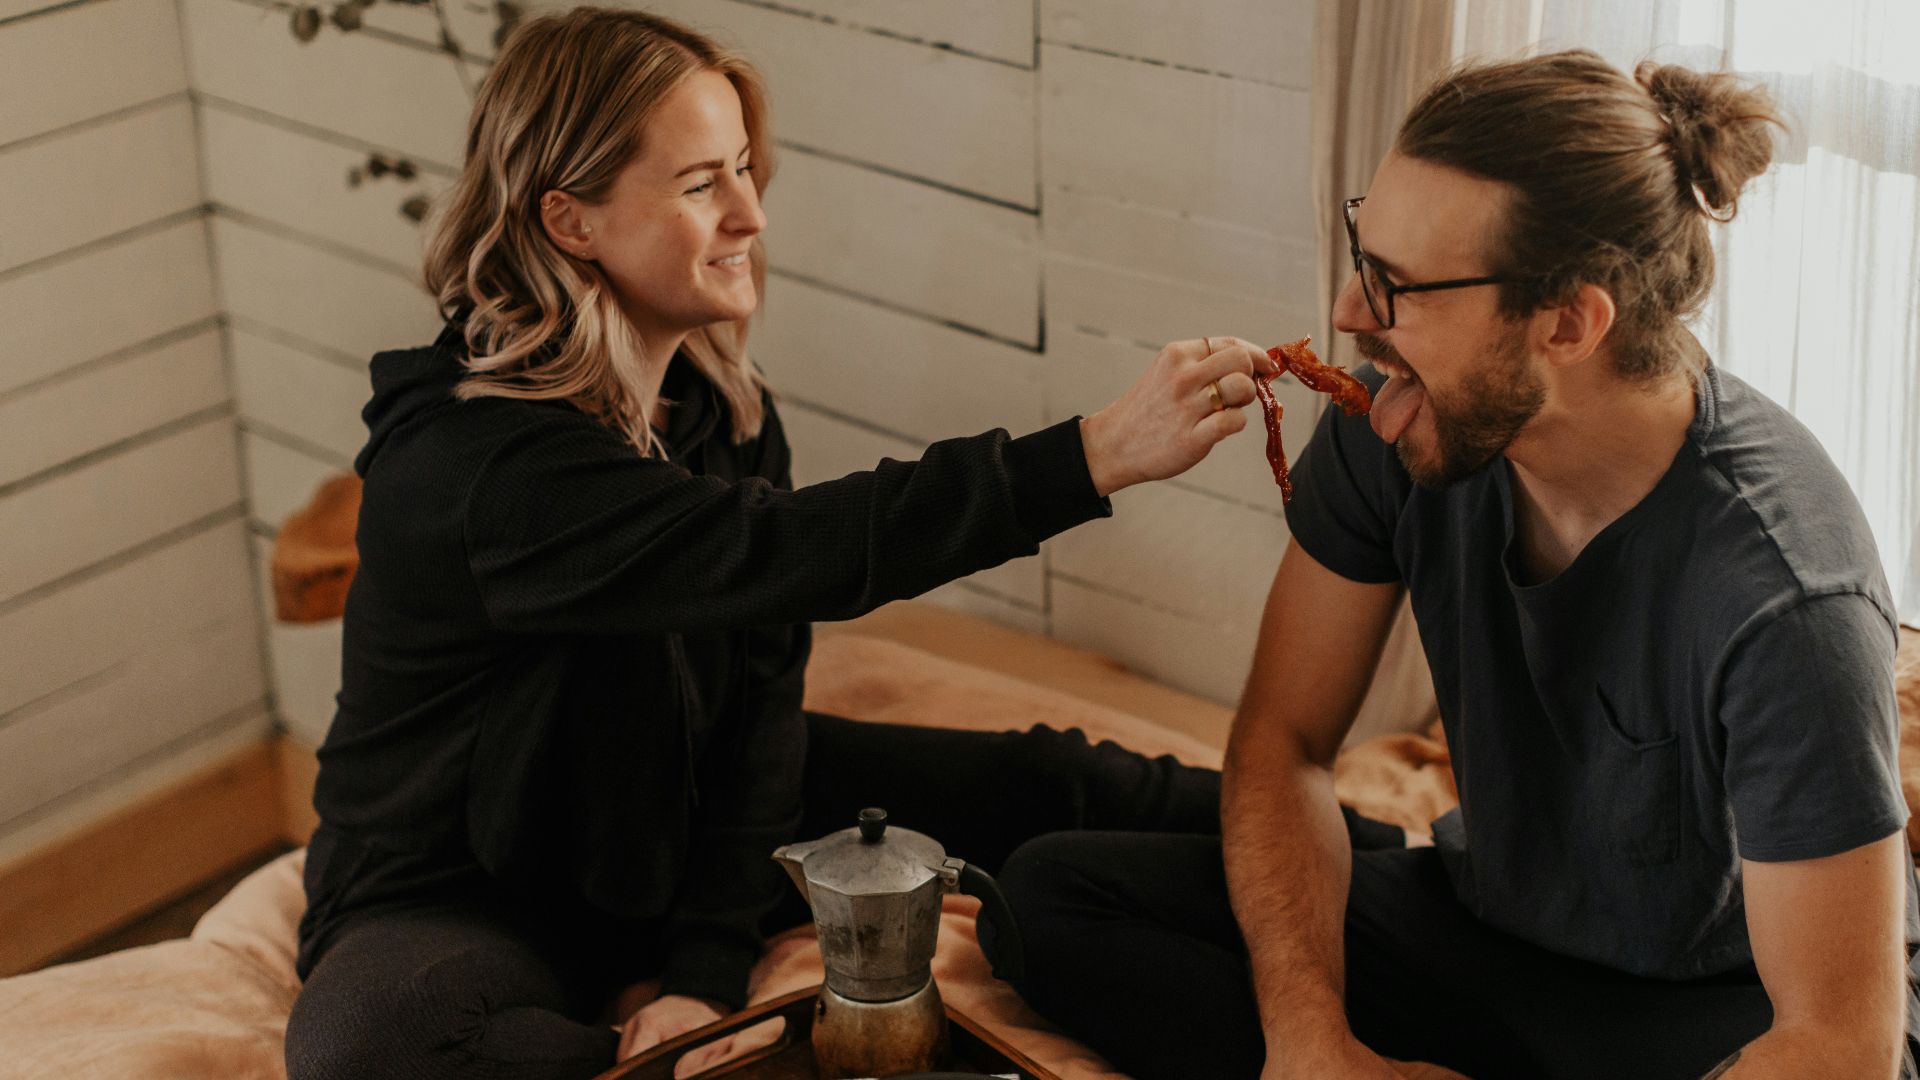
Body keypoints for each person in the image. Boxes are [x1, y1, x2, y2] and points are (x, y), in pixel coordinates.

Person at [280, 7, 1267, 1079]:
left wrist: (704, 971)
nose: (751, 213)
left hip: (672, 815)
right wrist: (1096, 453)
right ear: (571, 219)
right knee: (366, 1048)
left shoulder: (720, 413)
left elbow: (760, 717)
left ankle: (1401, 863)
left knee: (1059, 781)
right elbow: (788, 550)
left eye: (746, 169)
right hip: (467, 895)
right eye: (702, 183)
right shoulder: (481, 472)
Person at [987, 50, 1917, 1080]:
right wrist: (1311, 1041)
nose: (1348, 310)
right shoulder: (1399, 425)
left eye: (1400, 287)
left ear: (1569, 322)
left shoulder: (1785, 594)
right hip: (1487, 924)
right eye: (1361, 250)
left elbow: (1839, 1046)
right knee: (1051, 899)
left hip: (1704, 1013)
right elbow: (1286, 740)